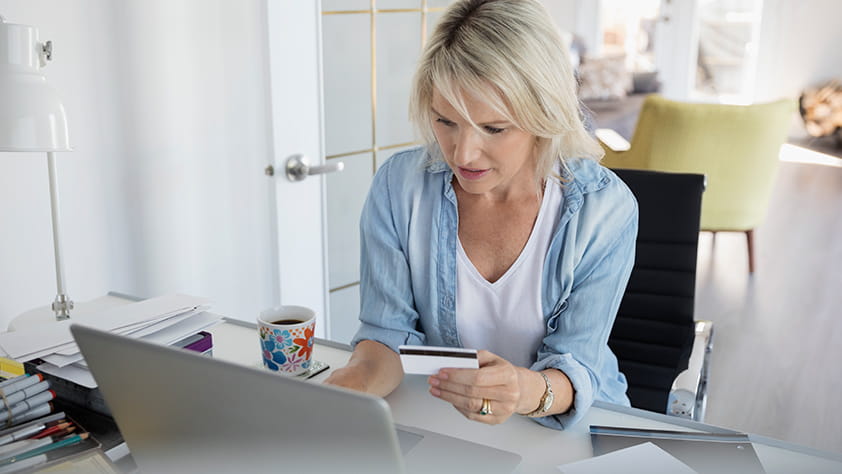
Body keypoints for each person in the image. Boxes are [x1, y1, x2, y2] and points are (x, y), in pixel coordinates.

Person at [324, 0, 637, 431]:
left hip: (570, 428)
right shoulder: (399, 187)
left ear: (543, 114)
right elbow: (386, 336)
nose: (463, 154)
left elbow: (577, 363)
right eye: (445, 121)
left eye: (493, 128)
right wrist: (347, 388)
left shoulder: (604, 209)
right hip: (446, 423)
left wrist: (520, 391)